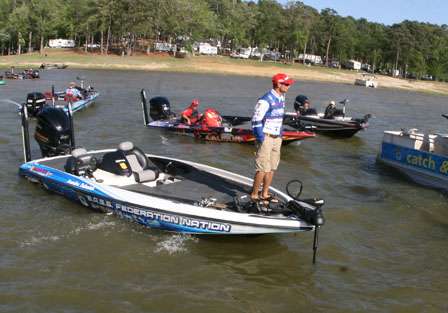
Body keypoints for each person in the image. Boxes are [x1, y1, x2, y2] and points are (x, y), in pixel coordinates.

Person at [250, 73, 294, 203]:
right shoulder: (265, 100)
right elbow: (256, 120)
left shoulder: (282, 97)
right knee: (262, 168)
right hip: (266, 137)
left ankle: (265, 193)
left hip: (277, 138)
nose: (289, 86)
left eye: (289, 84)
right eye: (286, 84)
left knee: (273, 167)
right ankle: (254, 195)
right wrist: (261, 138)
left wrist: (280, 134)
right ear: (278, 84)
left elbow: (279, 118)